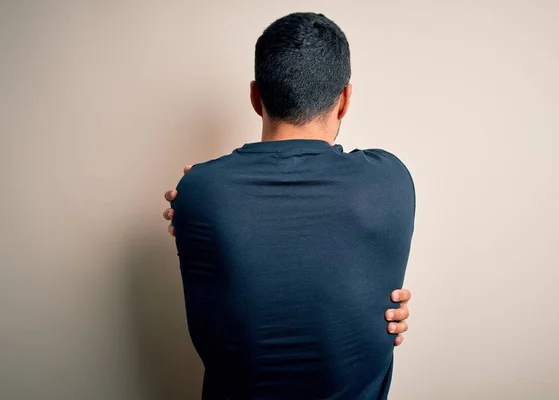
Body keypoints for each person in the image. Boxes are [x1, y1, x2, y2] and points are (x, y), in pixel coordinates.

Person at [163, 12, 415, 399]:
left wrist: (203, 191)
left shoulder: (199, 192)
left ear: (255, 96)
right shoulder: (391, 181)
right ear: (345, 99)